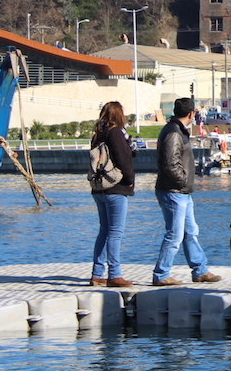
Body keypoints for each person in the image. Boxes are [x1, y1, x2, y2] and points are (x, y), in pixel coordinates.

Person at [151, 97, 222, 287]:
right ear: (191, 114)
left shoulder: (176, 130)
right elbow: (170, 163)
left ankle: (200, 270)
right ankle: (161, 274)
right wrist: (183, 181)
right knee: (174, 235)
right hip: (174, 191)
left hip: (182, 191)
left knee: (190, 231)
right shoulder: (173, 133)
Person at [90, 101, 136, 288]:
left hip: (99, 188)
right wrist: (130, 179)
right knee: (116, 232)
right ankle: (114, 274)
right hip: (115, 188)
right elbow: (122, 158)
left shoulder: (98, 134)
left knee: (104, 230)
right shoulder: (115, 133)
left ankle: (97, 273)